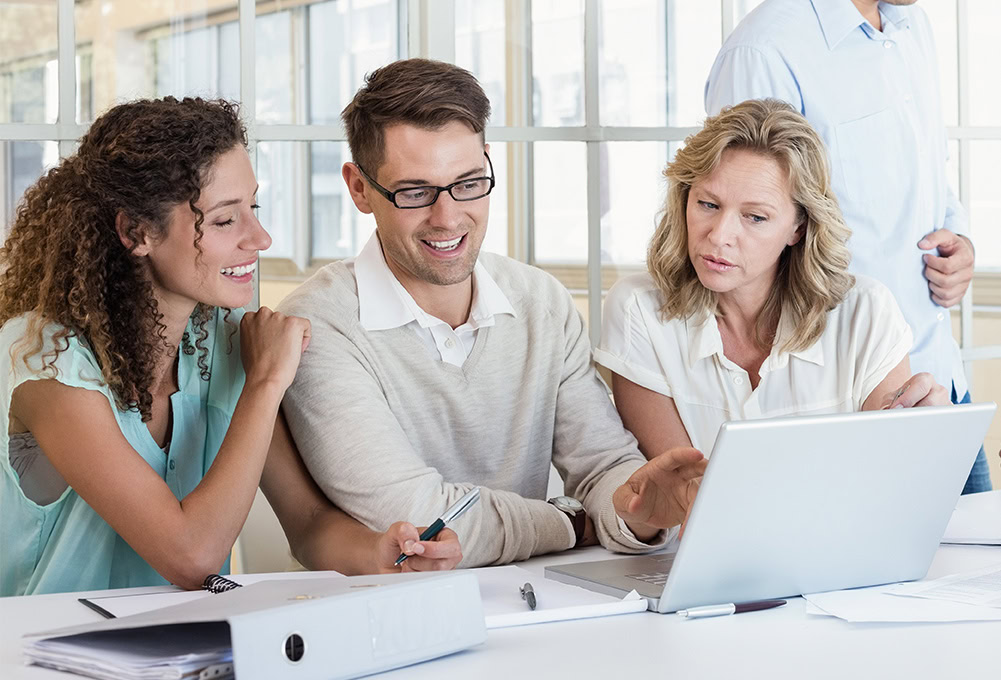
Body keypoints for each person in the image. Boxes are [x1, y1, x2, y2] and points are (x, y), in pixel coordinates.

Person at [0, 97, 459, 597]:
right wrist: (264, 384)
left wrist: (384, 551)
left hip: (185, 653)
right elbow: (190, 556)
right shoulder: (45, 360)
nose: (259, 238)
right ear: (137, 232)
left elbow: (307, 523)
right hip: (40, 656)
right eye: (224, 221)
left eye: (253, 208)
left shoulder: (223, 344)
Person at [278, 58, 707, 568]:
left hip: (528, 609)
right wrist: (569, 523)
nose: (448, 216)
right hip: (384, 618)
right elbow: (419, 522)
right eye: (415, 192)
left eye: (469, 182)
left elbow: (604, 470)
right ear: (359, 189)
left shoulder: (541, 302)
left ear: (487, 161)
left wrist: (636, 508)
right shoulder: (318, 325)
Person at [704, 0, 990, 493]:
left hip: (939, 383)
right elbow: (745, 228)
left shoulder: (910, 27)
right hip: (849, 401)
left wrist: (957, 236)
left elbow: (930, 168)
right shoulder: (763, 50)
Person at [597, 98, 948, 462]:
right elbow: (680, 495)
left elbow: (887, 477)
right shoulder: (638, 310)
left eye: (755, 217)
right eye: (708, 204)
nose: (719, 236)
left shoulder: (866, 313)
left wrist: (921, 441)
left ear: (798, 227)